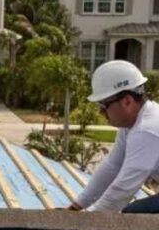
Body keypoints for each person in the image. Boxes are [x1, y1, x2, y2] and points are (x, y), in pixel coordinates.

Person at [67, 59, 159, 213]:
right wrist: (75, 208)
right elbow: (113, 166)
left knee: (134, 215)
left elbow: (123, 189)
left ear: (127, 101)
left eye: (104, 106)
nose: (100, 112)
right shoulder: (131, 125)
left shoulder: (146, 130)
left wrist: (87, 221)